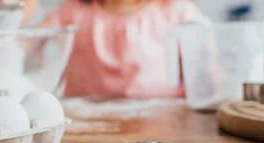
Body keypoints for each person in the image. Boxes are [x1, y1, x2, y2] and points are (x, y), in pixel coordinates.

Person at [41, 0, 208, 98]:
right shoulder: (73, 10)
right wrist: (18, 13)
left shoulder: (176, 9)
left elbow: (209, 71)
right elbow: (25, 42)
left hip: (164, 125)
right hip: (87, 126)